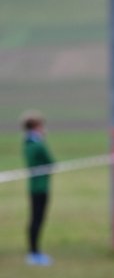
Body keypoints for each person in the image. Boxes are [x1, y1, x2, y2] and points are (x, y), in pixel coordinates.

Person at [21, 110, 55, 266]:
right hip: (40, 187)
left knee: (35, 219)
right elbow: (50, 161)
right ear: (35, 126)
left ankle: (34, 252)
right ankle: (34, 253)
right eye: (41, 125)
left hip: (34, 186)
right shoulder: (37, 144)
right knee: (37, 219)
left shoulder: (27, 143)